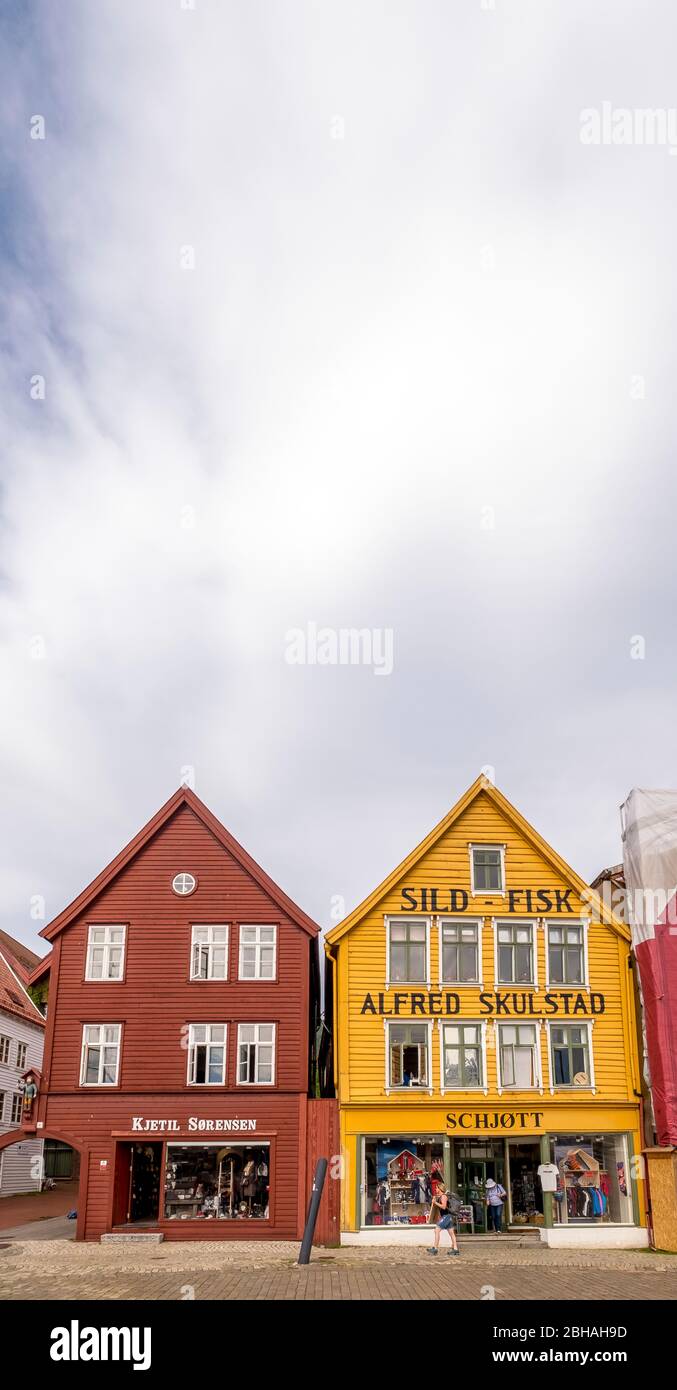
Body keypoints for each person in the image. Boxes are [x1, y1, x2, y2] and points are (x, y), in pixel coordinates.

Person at [426, 1184, 460, 1256]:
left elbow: (444, 1207)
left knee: (437, 1230)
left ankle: (435, 1248)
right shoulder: (441, 1196)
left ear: (440, 1188)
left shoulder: (443, 1196)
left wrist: (435, 1203)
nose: (435, 1189)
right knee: (452, 1233)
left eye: (436, 1188)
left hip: (447, 1217)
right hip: (448, 1217)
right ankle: (455, 1249)